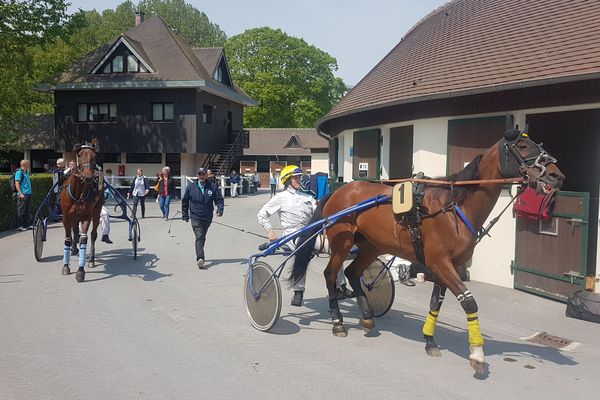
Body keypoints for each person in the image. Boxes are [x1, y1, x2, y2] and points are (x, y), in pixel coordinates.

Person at [257, 165, 353, 306]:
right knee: (304, 249)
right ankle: (298, 291)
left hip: (310, 232)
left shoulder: (308, 197)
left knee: (336, 248)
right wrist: (270, 231)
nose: (299, 180)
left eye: (300, 177)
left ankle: (341, 287)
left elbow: (322, 212)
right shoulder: (280, 198)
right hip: (292, 234)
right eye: (296, 178)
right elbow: (262, 214)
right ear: (288, 180)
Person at [181, 168, 224, 269]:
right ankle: (200, 258)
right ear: (197, 175)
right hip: (195, 216)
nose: (201, 176)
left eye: (203, 174)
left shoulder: (212, 187)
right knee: (199, 236)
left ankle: (200, 251)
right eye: (199, 174)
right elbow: (185, 201)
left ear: (206, 175)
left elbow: (219, 199)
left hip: (207, 216)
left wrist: (220, 210)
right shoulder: (191, 187)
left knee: (202, 236)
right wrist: (185, 214)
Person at [14, 160, 32, 231]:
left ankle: (26, 224)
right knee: (20, 210)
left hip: (28, 193)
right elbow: (17, 183)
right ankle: (19, 225)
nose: (29, 165)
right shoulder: (19, 172)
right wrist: (21, 193)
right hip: (23, 194)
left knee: (27, 210)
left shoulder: (26, 172)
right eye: (28, 164)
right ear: (24, 165)